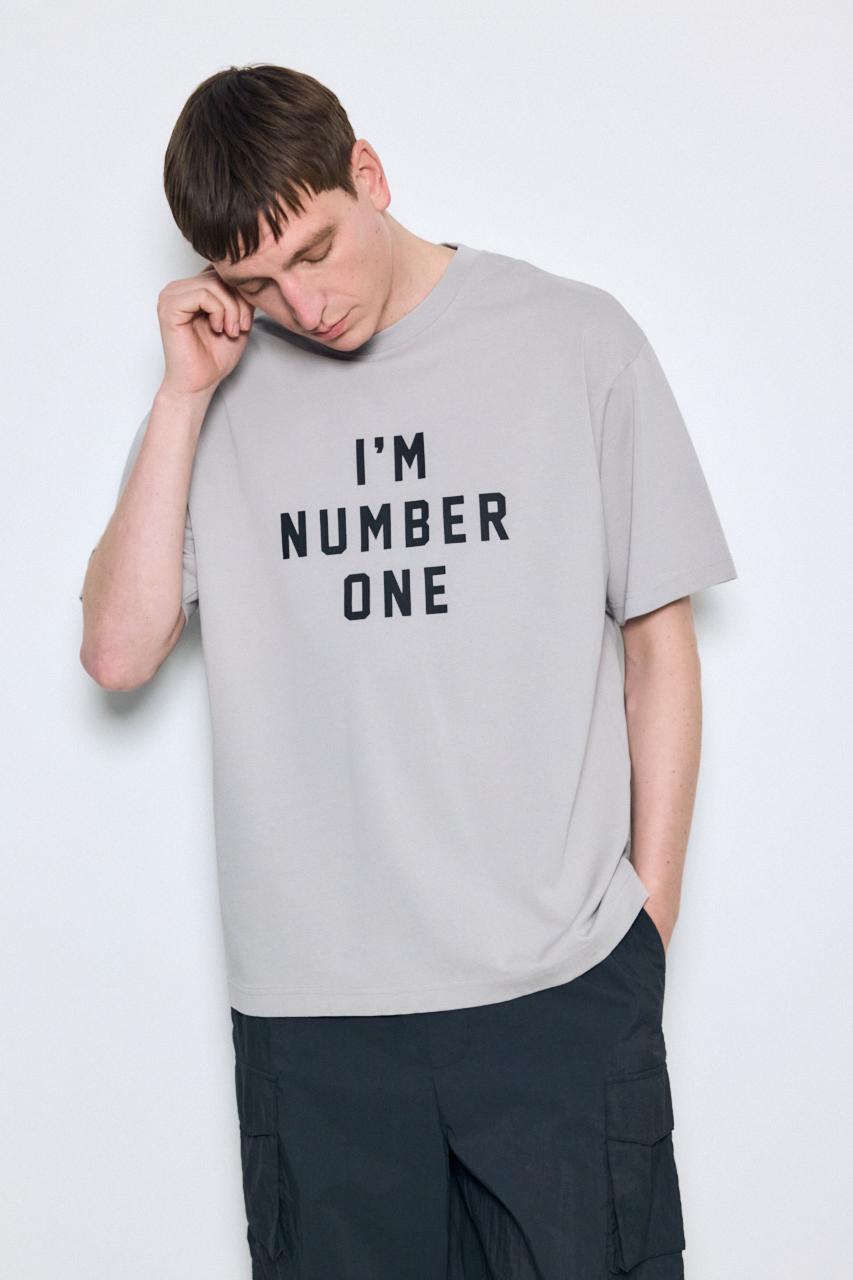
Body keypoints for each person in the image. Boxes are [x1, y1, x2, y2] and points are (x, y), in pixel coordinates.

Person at [79, 62, 737, 1280]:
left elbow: (659, 645)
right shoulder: (218, 392)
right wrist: (179, 399)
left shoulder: (572, 339)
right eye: (255, 283)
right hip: (313, 1021)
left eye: (317, 250)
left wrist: (647, 923)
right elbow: (117, 652)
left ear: (368, 175)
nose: (304, 304)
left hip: (557, 991)